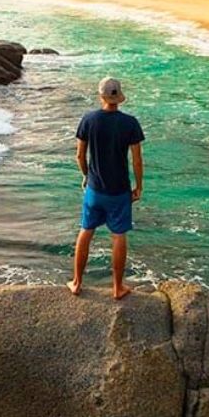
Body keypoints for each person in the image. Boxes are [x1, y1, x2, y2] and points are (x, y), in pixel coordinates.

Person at [68, 76, 144, 299]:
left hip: (94, 190)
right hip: (120, 191)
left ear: (100, 95)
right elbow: (137, 160)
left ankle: (76, 282)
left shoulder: (89, 120)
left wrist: (85, 175)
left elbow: (80, 155)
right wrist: (138, 187)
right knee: (118, 235)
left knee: (86, 231)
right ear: (119, 97)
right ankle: (117, 287)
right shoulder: (130, 123)